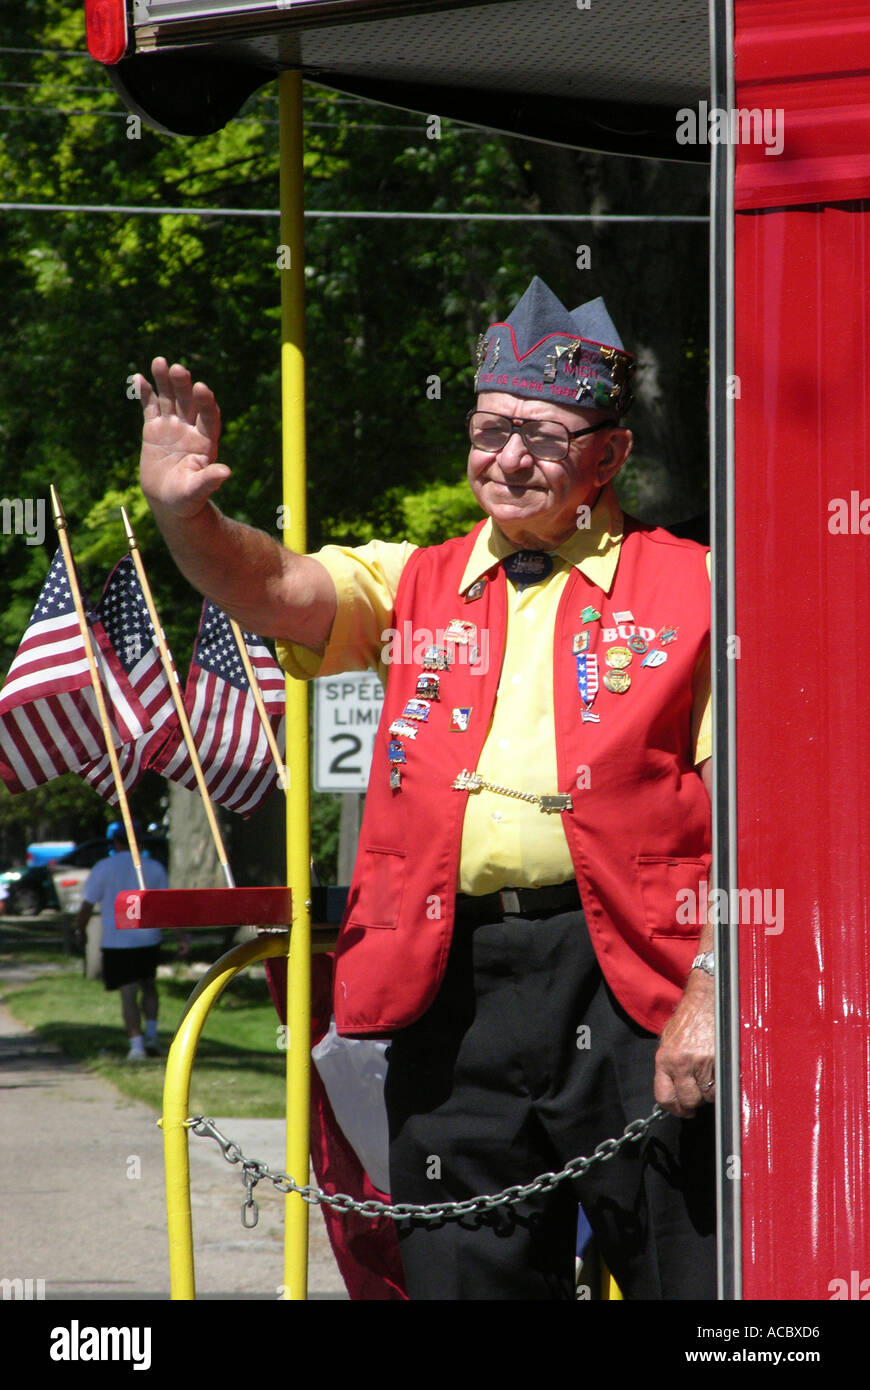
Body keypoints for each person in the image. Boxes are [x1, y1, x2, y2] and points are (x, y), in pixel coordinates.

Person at [136, 276, 715, 1299]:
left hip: (638, 981)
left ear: (610, 456)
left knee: (696, 1281)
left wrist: (718, 989)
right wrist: (188, 517)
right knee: (458, 1276)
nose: (510, 458)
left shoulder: (701, 586)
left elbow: (768, 813)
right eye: (492, 429)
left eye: (545, 435)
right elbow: (269, 585)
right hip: (447, 984)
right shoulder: (409, 582)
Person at [75, 823, 175, 1061]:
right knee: (149, 986)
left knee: (128, 993)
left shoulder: (103, 868)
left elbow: (87, 904)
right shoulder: (154, 868)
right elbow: (167, 905)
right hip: (149, 937)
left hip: (117, 940)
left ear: (114, 842)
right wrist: (180, 936)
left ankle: (136, 1045)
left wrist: (81, 930)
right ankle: (151, 1034)